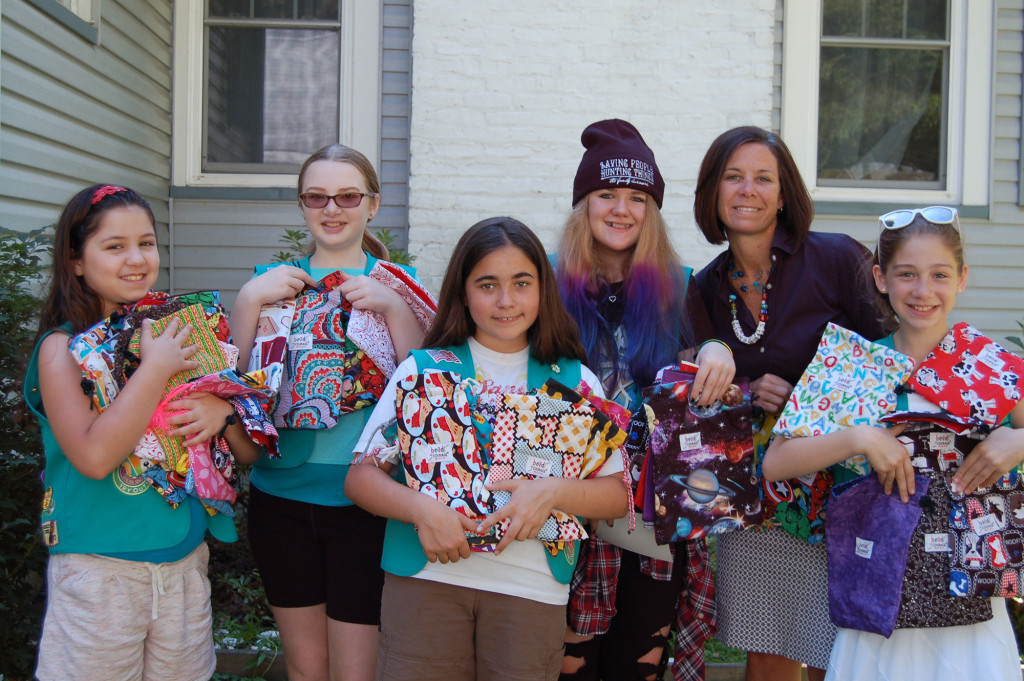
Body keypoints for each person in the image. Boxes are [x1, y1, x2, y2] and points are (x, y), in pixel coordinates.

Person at [345, 217, 630, 681]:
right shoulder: (422, 371)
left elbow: (618, 494)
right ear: (463, 291)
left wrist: (553, 491)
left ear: (543, 289)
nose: (505, 301)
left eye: (521, 283)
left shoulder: (575, 383)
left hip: (531, 589)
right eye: (487, 284)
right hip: (426, 580)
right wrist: (422, 509)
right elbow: (360, 478)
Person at [761, 207, 1024, 679]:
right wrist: (861, 437)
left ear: (962, 279)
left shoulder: (990, 365)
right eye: (907, 274)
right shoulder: (853, 366)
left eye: (939, 275)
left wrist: (1018, 442)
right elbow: (775, 463)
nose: (923, 291)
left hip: (972, 603)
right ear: (881, 278)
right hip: (876, 600)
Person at [25, 184, 262, 681]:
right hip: (100, 572)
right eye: (114, 247)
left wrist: (225, 411)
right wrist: (155, 371)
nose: (136, 259)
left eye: (147, 243)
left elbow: (245, 455)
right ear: (76, 261)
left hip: (182, 564)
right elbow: (93, 456)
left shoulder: (181, 330)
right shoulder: (61, 351)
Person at [693, 127, 891, 681]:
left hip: (848, 485)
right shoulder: (705, 289)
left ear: (785, 195)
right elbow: (704, 399)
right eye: (733, 177)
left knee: (843, 651)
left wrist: (809, 394)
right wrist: (747, 391)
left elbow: (890, 357)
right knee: (767, 650)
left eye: (763, 178)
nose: (747, 190)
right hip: (760, 499)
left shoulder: (837, 259)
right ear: (713, 192)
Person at [230, 144, 432, 681]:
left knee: (357, 670)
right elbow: (233, 385)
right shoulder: (269, 283)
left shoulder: (400, 284)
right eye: (317, 196)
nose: (332, 207)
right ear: (302, 205)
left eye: (347, 195)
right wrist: (248, 302)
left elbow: (424, 388)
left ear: (372, 204)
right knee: (305, 667)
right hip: (281, 501)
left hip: (365, 503)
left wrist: (391, 306)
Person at [554, 119, 735, 681]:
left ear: (651, 211)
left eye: (637, 197)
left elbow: (709, 347)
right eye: (606, 194)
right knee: (569, 662)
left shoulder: (680, 287)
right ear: (583, 204)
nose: (621, 209)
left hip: (656, 510)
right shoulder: (549, 286)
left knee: (640, 661)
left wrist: (717, 351)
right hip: (571, 504)